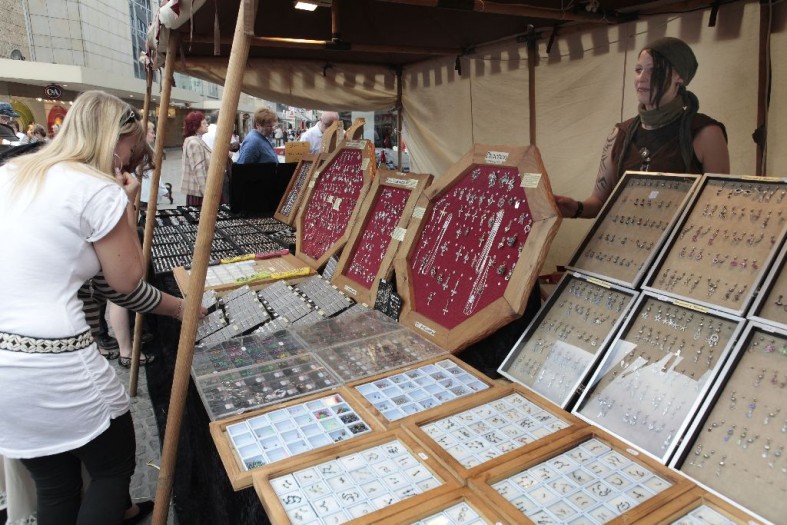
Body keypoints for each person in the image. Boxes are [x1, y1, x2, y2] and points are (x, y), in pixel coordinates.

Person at [0, 90, 150, 524]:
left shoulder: (15, 171)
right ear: (117, 140)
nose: (129, 160)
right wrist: (129, 203)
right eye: (131, 149)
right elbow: (127, 280)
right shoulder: (96, 188)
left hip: (6, 362)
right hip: (53, 357)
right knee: (112, 467)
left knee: (55, 483)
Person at [554, 37, 730, 219]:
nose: (642, 78)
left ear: (679, 77)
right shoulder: (620, 134)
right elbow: (599, 202)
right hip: (622, 235)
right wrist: (577, 209)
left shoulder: (705, 133)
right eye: (638, 70)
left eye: (654, 70)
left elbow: (718, 206)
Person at [179, 110, 211, 206]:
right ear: (195, 126)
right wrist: (207, 194)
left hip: (198, 191)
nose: (207, 125)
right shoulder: (194, 143)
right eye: (204, 123)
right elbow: (198, 170)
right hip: (198, 193)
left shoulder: (196, 140)